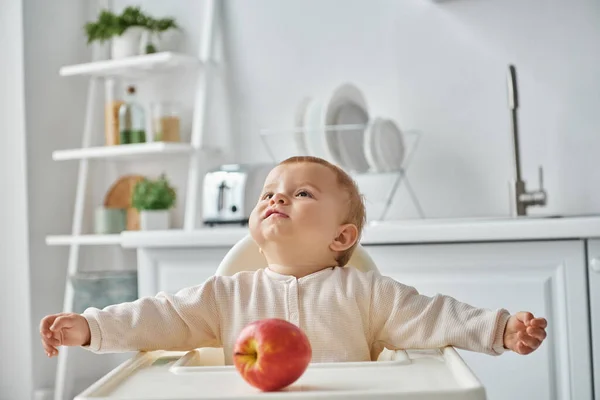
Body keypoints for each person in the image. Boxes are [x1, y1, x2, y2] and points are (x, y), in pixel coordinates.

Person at [40, 156, 547, 364]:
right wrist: (90, 327)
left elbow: (433, 316)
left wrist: (498, 329)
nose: (275, 199)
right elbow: (160, 317)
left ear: (341, 236)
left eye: (301, 193)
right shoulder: (227, 295)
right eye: (267, 194)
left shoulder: (365, 294)